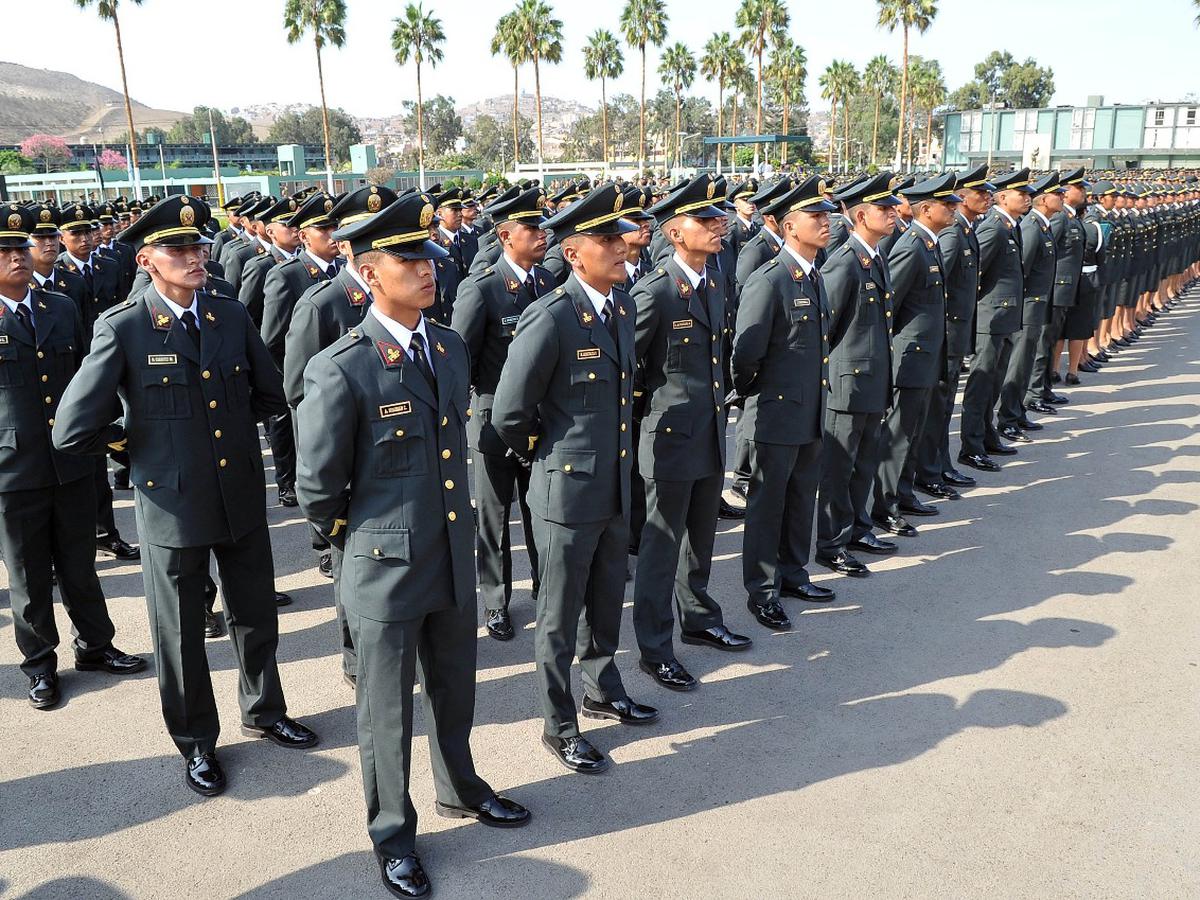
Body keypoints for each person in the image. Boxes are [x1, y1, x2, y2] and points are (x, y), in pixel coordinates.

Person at [295, 190, 529, 900]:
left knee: (455, 691)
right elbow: (317, 485)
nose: (427, 271)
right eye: (407, 261)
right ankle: (393, 834)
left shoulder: (450, 346)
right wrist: (352, 547)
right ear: (369, 274)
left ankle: (460, 787)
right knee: (387, 714)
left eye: (428, 258)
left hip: (451, 554)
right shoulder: (342, 366)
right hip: (383, 569)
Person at [53, 196, 318, 798]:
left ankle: (265, 709)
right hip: (173, 505)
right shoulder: (123, 327)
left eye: (199, 246)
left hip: (239, 493)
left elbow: (269, 395)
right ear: (147, 259)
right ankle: (197, 739)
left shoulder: (229, 314)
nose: (196, 256)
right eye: (180, 249)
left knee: (254, 614)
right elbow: (73, 428)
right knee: (180, 633)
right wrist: (138, 448)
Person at [492, 182, 659, 776]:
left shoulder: (623, 302)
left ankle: (603, 686)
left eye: (622, 235)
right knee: (559, 615)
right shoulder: (552, 318)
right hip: (566, 490)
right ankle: (559, 725)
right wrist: (546, 454)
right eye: (607, 238)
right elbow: (509, 412)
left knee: (607, 598)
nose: (623, 245)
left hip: (613, 484)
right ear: (572, 252)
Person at [0, 203, 145, 711]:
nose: (17, 257)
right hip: (13, 470)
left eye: (20, 249)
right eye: (6, 251)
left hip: (73, 460)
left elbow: (90, 378)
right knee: (29, 574)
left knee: (80, 564)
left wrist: (103, 433)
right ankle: (40, 664)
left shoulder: (58, 306)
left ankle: (96, 645)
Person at [630, 174, 752, 690]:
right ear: (676, 233)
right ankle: (655, 648)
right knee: (661, 549)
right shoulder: (656, 292)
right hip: (668, 439)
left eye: (718, 217)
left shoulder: (716, 279)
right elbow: (629, 371)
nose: (718, 224)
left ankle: (699, 618)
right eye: (705, 220)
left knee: (700, 537)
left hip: (707, 431)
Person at [284, 183, 398, 609]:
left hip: (400, 456)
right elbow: (298, 390)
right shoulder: (324, 303)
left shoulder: (410, 296)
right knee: (352, 571)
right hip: (352, 459)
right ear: (346, 243)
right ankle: (354, 657)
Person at [733, 175, 838, 627]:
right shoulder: (771, 279)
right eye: (815, 217)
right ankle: (762, 588)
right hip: (775, 411)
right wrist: (760, 395)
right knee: (767, 503)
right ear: (790, 226)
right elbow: (745, 355)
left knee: (800, 497)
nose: (825, 222)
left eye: (826, 215)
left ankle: (794, 572)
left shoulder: (813, 274)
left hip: (810, 409)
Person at [450, 185, 553, 642]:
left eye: (541, 226)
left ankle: (545, 587)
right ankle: (496, 600)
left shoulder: (548, 283)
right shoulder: (484, 289)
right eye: (531, 228)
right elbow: (460, 358)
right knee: (494, 518)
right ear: (507, 236)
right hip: (492, 421)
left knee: (540, 510)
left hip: (541, 418)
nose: (542, 234)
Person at [814, 172, 900, 578]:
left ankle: (858, 528)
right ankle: (831, 543)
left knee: (864, 462)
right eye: (884, 209)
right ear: (861, 215)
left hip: (872, 382)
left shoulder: (875, 256)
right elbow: (823, 330)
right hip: (847, 386)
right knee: (838, 468)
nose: (894, 214)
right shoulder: (845, 264)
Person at [872, 172, 960, 537]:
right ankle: (885, 505)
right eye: (947, 204)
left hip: (925, 356)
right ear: (926, 209)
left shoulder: (930, 243)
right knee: (898, 435)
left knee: (913, 430)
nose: (954, 209)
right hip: (909, 356)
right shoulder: (911, 246)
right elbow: (889, 306)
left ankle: (903, 494)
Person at [916, 165, 993, 498]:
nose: (987, 198)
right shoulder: (951, 234)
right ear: (964, 197)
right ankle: (930, 470)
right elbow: (935, 291)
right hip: (945, 335)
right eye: (980, 193)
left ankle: (941, 464)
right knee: (936, 407)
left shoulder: (965, 230)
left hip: (956, 334)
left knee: (944, 405)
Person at [958, 169, 1033, 472]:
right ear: (1005, 198)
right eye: (1021, 194)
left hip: (1003, 318)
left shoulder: (1009, 225)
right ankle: (971, 446)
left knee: (993, 383)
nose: (1027, 198)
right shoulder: (994, 228)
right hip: (990, 319)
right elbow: (974, 274)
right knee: (981, 383)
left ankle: (987, 436)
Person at [997, 172, 1061, 444]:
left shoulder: (1040, 225)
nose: (1026, 198)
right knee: (1018, 364)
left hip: (1036, 307)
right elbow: (1020, 271)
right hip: (1025, 308)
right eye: (1058, 194)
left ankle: (1018, 411)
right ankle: (1008, 418)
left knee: (1025, 363)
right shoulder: (1033, 226)